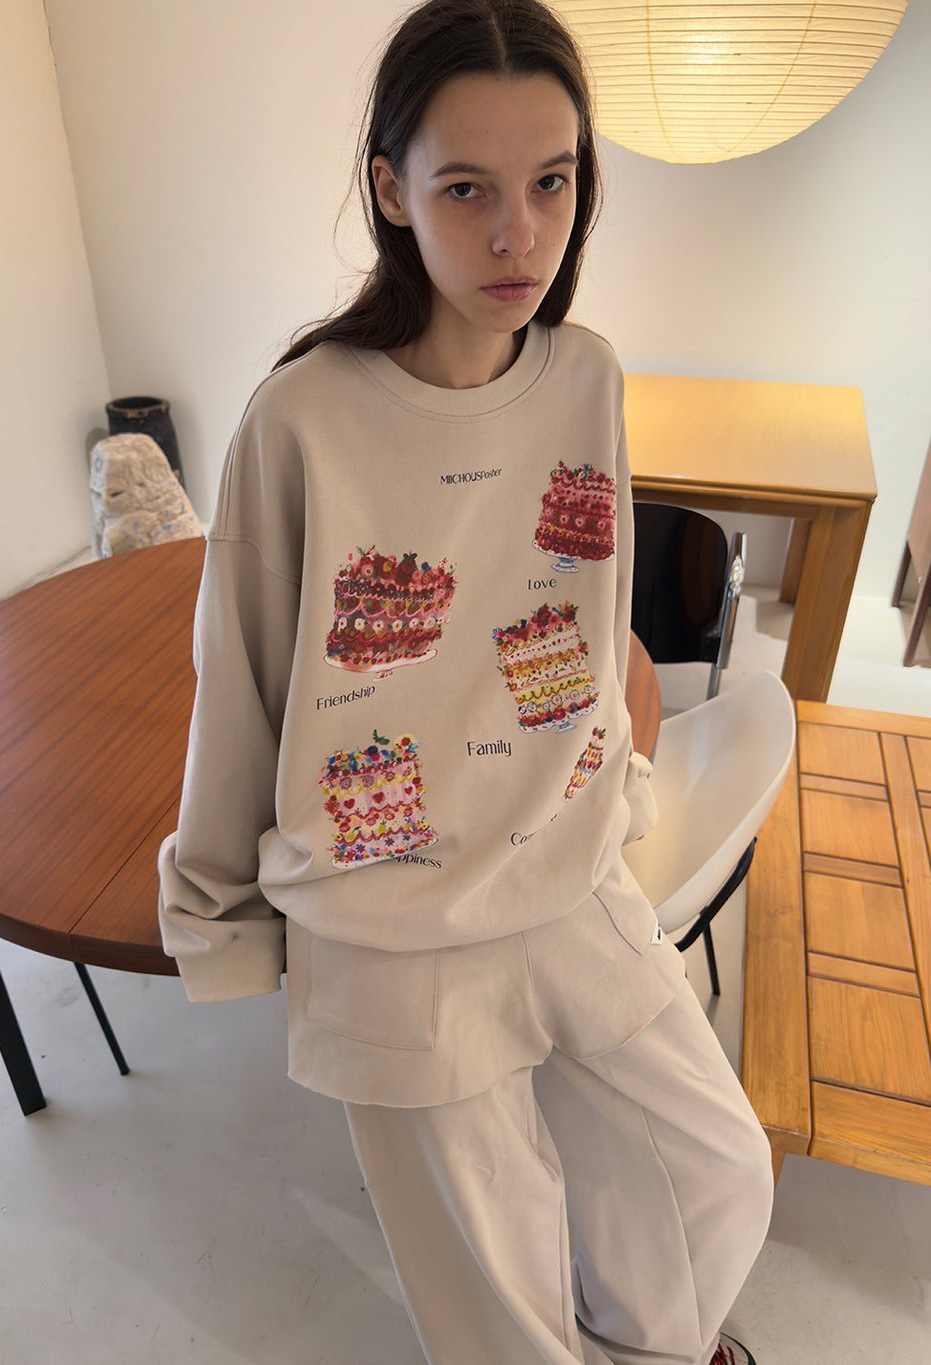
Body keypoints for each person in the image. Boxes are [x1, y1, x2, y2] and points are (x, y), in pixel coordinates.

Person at [158, 2, 773, 1362]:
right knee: (497, 1298)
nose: (520, 236)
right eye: (467, 190)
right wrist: (219, 918)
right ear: (391, 190)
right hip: (386, 917)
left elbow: (585, 612)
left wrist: (618, 765)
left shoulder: (588, 376)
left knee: (717, 1167)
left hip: (566, 866)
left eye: (552, 182)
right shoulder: (302, 418)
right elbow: (240, 679)